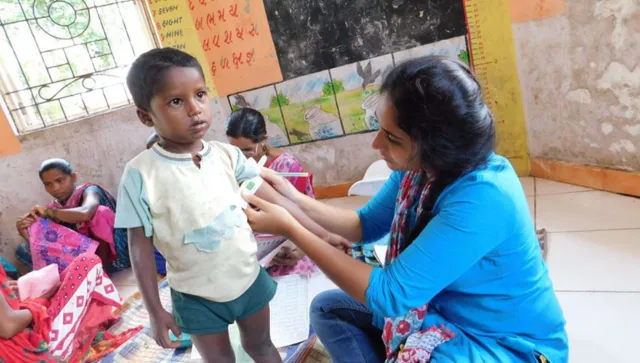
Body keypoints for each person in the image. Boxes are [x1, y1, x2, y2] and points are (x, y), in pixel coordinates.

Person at [241, 56, 568, 362]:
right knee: (328, 308)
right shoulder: (421, 169)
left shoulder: (483, 197)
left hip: (504, 341)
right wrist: (293, 198)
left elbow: (389, 294)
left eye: (392, 138)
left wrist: (290, 227)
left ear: (434, 143)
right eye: (380, 130)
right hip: (440, 309)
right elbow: (365, 224)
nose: (376, 145)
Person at [117, 48, 348, 363]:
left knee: (262, 347)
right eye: (176, 101)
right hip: (196, 295)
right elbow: (139, 245)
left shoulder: (227, 155)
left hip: (247, 278)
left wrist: (322, 233)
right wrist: (156, 310)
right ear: (145, 115)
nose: (195, 109)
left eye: (200, 95)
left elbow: (278, 199)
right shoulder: (140, 173)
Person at [0, 253, 141, 362]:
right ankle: (67, 345)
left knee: (66, 279)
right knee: (88, 262)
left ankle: (77, 334)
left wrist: (8, 296)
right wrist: (40, 301)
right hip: (34, 351)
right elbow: (8, 326)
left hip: (23, 338)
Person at [226, 107, 316, 275]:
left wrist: (300, 252)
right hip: (252, 242)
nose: (242, 158)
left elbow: (306, 215)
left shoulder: (286, 167)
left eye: (248, 150)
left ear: (264, 140)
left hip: (286, 242)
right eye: (235, 151)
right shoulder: (232, 164)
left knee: (291, 274)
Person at [15, 159, 130, 274]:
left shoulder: (89, 191)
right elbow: (50, 246)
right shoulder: (52, 207)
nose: (55, 188)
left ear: (73, 177)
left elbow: (86, 212)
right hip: (84, 260)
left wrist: (49, 213)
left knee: (99, 213)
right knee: (22, 250)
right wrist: (27, 231)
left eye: (60, 180)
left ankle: (101, 274)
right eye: (48, 184)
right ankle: (76, 276)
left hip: (118, 255)